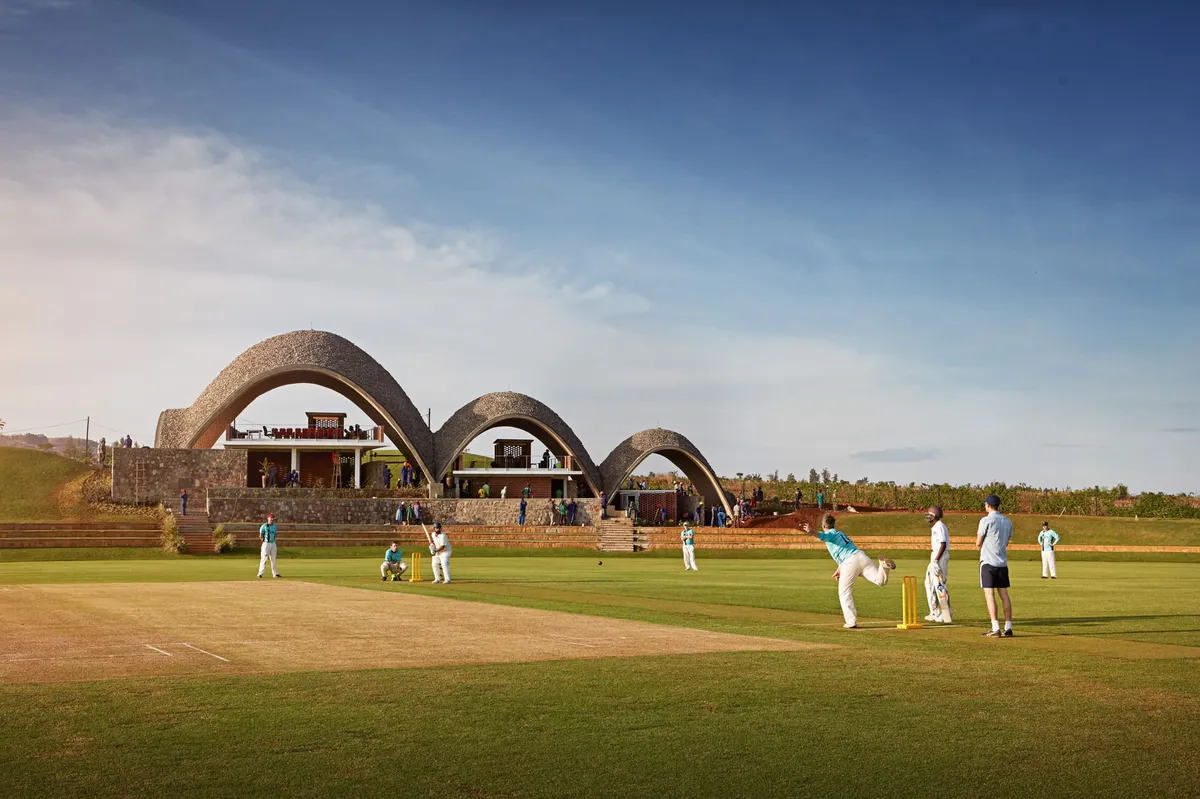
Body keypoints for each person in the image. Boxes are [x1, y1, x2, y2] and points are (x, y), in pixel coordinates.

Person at [801, 514, 895, 629]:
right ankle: (884, 566)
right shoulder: (840, 533)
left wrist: (811, 531)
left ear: (824, 525)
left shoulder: (830, 533)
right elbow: (844, 550)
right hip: (861, 557)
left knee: (844, 593)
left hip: (850, 562)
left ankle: (851, 621)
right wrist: (839, 568)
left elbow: (821, 536)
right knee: (880, 581)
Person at [977, 494, 1014, 637]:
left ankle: (995, 627)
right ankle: (1008, 627)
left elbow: (978, 542)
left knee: (989, 594)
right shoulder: (1007, 521)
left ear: (988, 505)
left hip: (988, 562)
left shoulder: (985, 520)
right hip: (1002, 563)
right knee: (1004, 594)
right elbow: (1006, 541)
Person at [925, 505, 951, 622]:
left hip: (939, 556)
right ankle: (935, 612)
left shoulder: (939, 526)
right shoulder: (937, 526)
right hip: (936, 555)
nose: (927, 516)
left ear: (934, 516)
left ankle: (945, 614)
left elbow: (943, 544)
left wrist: (936, 560)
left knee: (939, 584)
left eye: (929, 514)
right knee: (929, 583)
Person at [257, 513, 281, 578]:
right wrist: (263, 540)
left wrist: (273, 539)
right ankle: (260, 573)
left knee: (273, 559)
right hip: (266, 544)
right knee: (264, 559)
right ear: (268, 518)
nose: (272, 519)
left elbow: (275, 534)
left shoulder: (274, 526)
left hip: (273, 544)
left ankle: (275, 573)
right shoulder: (264, 526)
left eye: (273, 518)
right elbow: (261, 535)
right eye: (271, 518)